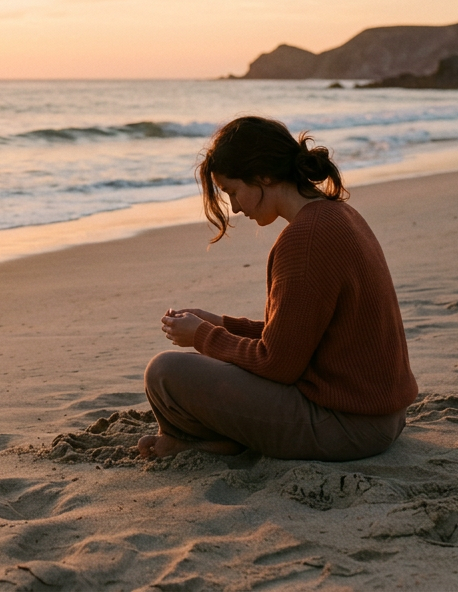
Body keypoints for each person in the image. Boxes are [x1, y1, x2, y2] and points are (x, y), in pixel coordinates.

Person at [139, 116, 417, 462]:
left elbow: (278, 364)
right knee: (196, 368)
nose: (235, 207)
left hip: (350, 428)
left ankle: (203, 442)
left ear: (264, 177)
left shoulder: (305, 239)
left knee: (165, 373)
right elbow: (300, 338)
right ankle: (220, 441)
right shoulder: (339, 215)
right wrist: (221, 324)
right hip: (382, 417)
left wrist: (202, 337)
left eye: (232, 191)